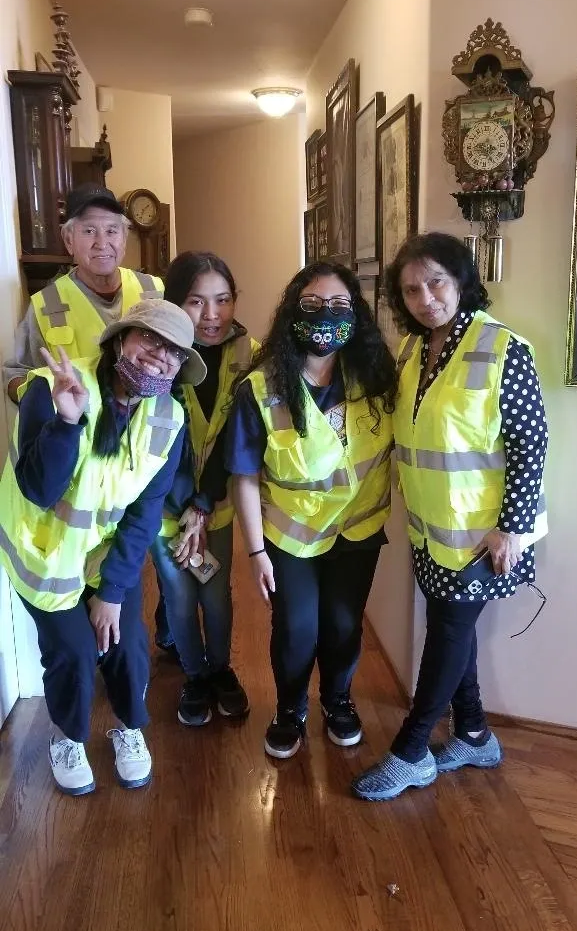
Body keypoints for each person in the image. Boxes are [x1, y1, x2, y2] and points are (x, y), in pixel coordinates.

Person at [352, 232, 548, 801]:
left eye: (436, 281)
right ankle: (475, 734)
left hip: (485, 535)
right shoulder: (414, 350)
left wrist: (512, 525)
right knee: (450, 632)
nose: (425, 297)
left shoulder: (501, 347)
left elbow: (530, 443)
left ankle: (411, 750)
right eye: (411, 289)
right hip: (431, 530)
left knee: (446, 635)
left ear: (461, 279)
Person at [0, 299, 206, 796]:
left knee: (128, 646)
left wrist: (111, 591)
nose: (160, 356)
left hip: (102, 554)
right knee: (72, 652)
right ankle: (68, 736)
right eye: (150, 340)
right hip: (44, 553)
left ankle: (129, 727)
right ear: (120, 340)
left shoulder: (170, 419)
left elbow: (144, 513)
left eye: (174, 353)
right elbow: (38, 489)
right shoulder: (55, 388)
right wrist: (66, 423)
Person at [225, 260, 397, 759]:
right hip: (290, 536)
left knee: (344, 623)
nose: (327, 315)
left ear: (356, 314)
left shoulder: (377, 378)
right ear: (293, 312)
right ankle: (290, 708)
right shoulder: (261, 388)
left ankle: (338, 701)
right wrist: (256, 551)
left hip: (358, 531)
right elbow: (244, 474)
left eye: (340, 305)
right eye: (314, 304)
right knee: (297, 626)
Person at [150, 252, 258, 726]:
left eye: (222, 300)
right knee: (178, 596)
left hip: (214, 501)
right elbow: (157, 440)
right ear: (176, 304)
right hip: (162, 504)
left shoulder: (246, 352)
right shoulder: (158, 351)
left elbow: (237, 434)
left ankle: (221, 671)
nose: (211, 315)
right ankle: (194, 676)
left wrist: (203, 504)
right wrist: (183, 507)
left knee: (215, 594)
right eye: (196, 301)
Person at [4, 183, 163, 403]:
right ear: (69, 240)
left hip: (144, 433)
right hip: (79, 433)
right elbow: (15, 377)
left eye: (111, 230)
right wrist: (47, 392)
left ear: (124, 239)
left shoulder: (156, 290)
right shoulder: (45, 304)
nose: (102, 243)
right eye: (89, 231)